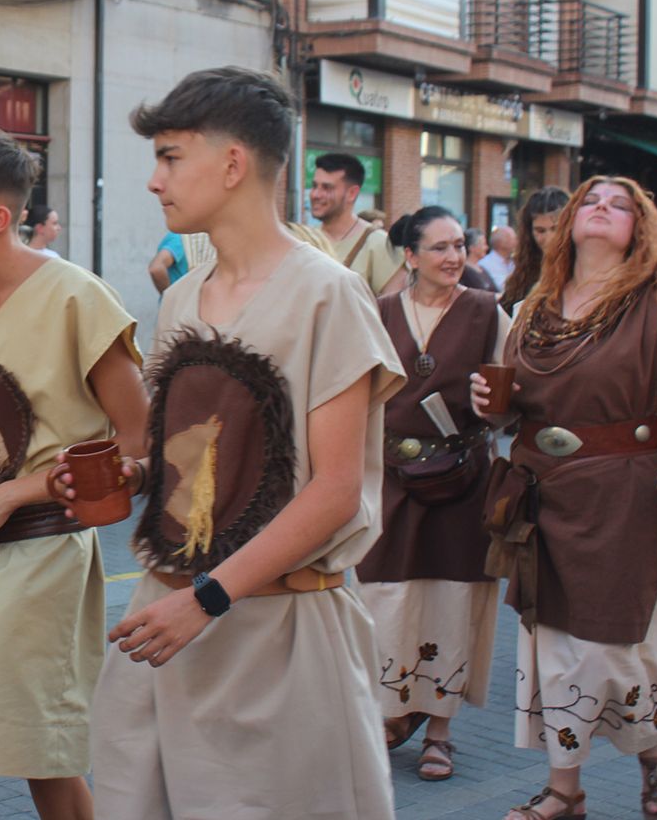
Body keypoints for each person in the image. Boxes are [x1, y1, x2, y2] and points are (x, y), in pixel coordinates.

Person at [86, 68, 402, 819]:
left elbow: (333, 491)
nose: (155, 179)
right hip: (171, 623)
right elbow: (196, 458)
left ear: (232, 164)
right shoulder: (181, 296)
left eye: (170, 156)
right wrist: (130, 477)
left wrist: (210, 597)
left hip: (277, 636)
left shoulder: (327, 292)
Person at [0, 127, 148, 820]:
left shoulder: (78, 297)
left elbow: (138, 447)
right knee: (47, 767)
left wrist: (18, 492)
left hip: (45, 556)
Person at [470, 176, 657, 820]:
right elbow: (506, 412)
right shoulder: (533, 308)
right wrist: (486, 405)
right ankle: (566, 790)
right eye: (590, 202)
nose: (601, 210)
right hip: (542, 489)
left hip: (626, 495)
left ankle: (651, 745)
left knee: (612, 645)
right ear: (570, 222)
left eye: (619, 206)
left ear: (640, 231)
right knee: (553, 643)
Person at [356, 206, 508, 781]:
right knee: (386, 597)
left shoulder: (489, 312)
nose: (454, 258)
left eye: (459, 246)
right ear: (410, 257)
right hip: (392, 477)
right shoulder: (379, 311)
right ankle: (389, 713)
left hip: (464, 478)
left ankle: (439, 732)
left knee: (453, 598)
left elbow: (512, 398)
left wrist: (494, 403)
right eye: (439, 248)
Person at [310, 152, 405, 294]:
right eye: (314, 186)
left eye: (327, 188)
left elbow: (393, 309)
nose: (316, 194)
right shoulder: (304, 239)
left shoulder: (378, 243)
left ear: (352, 193)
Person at [497, 187, 571, 312]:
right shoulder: (523, 276)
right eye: (540, 231)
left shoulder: (583, 271)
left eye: (556, 229)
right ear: (529, 233)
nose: (549, 238)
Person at [481, 226, 517, 292]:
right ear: (503, 242)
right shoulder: (486, 264)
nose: (517, 242)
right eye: (514, 239)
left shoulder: (514, 262)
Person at [461, 227, 496, 291]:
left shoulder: (482, 268)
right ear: (472, 247)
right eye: (483, 244)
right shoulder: (464, 271)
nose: (486, 248)